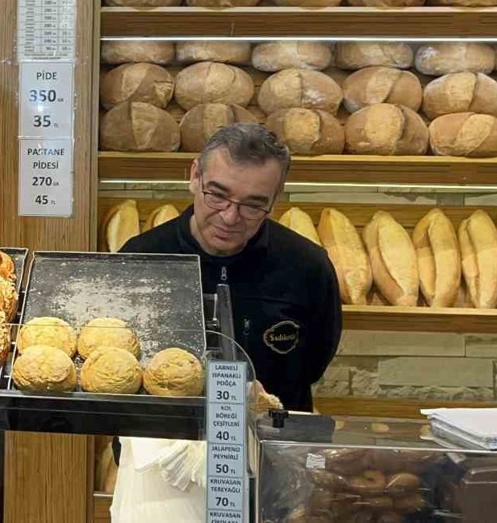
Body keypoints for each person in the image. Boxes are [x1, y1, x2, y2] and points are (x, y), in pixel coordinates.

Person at [121, 122, 342, 411]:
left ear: (275, 200)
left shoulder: (308, 267)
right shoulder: (139, 260)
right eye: (217, 195)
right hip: (160, 447)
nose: (229, 217)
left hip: (271, 444)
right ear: (194, 176)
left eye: (253, 205)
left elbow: (313, 363)